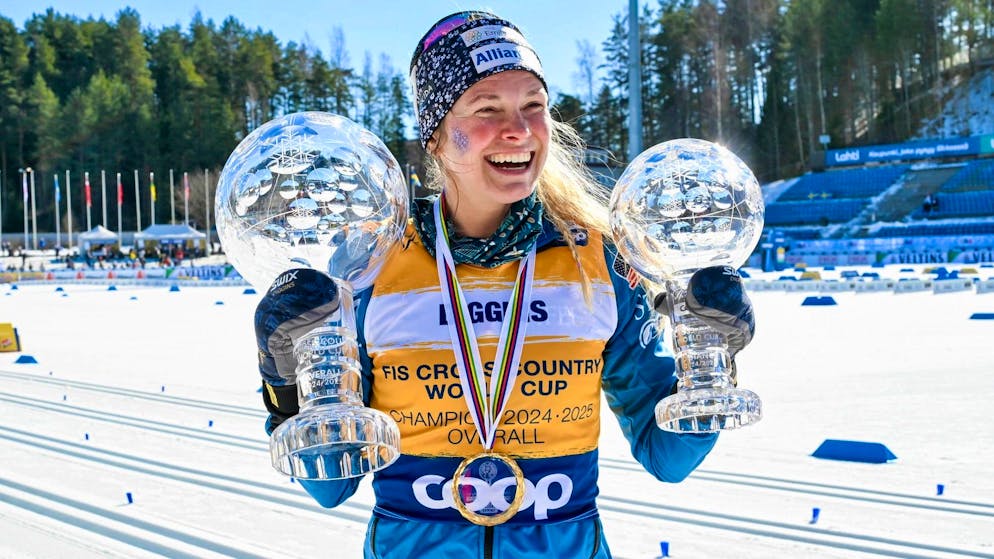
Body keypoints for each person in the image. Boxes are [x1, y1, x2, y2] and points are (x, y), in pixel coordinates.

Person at [254, 10, 755, 558]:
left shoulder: (598, 259)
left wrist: (712, 361)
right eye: (487, 109)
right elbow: (330, 485)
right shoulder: (372, 263)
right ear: (439, 137)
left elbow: (668, 458)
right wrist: (284, 381)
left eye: (532, 107)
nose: (518, 129)